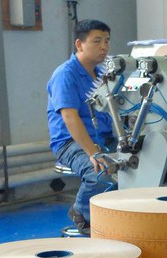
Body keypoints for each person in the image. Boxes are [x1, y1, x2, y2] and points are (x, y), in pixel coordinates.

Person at [47, 19, 116, 234]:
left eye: (107, 41)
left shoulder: (103, 74)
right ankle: (81, 212)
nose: (104, 47)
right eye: (97, 41)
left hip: (103, 137)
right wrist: (93, 153)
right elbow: (70, 117)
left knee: (140, 163)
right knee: (99, 173)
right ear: (79, 44)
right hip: (71, 142)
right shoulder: (65, 74)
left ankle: (116, 217)